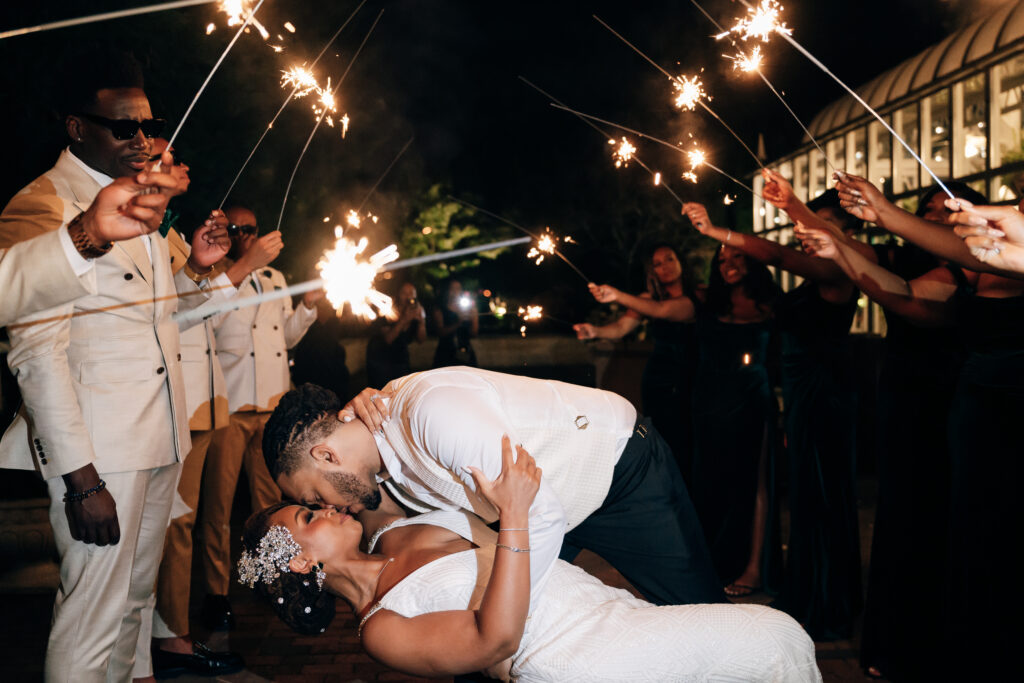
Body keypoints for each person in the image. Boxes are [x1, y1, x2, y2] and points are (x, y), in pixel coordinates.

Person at [0, 49, 230, 683]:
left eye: (149, 127)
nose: (144, 141)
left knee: (135, 604)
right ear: (77, 128)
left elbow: (158, 320)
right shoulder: (43, 208)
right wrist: (81, 478)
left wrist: (200, 269)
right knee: (91, 616)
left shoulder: (139, 206)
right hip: (100, 454)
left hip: (158, 439)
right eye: (124, 127)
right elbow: (36, 355)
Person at [239, 436, 822, 682]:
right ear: (298, 564)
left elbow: (372, 466)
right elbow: (494, 641)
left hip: (610, 611)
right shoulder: (381, 629)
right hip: (575, 654)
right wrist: (513, 514)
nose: (320, 506)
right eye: (307, 517)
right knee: (777, 638)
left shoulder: (390, 537)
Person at [802, 173, 1024, 679]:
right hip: (974, 412)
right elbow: (902, 293)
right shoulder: (980, 259)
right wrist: (868, 223)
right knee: (974, 542)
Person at [262, 374, 724, 608]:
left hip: (620, 471)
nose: (323, 507)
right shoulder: (376, 468)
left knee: (699, 609)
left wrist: (498, 620)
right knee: (480, 649)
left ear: (325, 456)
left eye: (312, 496)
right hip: (548, 508)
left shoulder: (432, 415)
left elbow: (538, 515)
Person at [683, 178, 865, 639]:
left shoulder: (838, 271)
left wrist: (716, 233)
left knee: (821, 495)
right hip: (805, 395)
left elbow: (779, 255)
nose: (808, 232)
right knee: (805, 496)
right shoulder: (820, 274)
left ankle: (826, 600)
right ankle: (811, 589)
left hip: (824, 393)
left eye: (823, 225)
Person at [198, 204, 320, 631]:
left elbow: (286, 337)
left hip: (270, 406)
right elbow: (202, 325)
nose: (243, 235)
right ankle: (216, 593)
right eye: (234, 228)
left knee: (272, 506)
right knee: (218, 506)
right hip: (228, 406)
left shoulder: (275, 279)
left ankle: (275, 580)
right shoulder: (214, 279)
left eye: (250, 228)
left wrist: (306, 306)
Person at [689, 242, 781, 598]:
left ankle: (755, 568)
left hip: (752, 400)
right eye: (722, 259)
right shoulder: (706, 299)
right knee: (711, 483)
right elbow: (666, 309)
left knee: (754, 484)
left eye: (737, 256)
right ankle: (711, 565)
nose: (729, 264)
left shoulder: (773, 304)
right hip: (710, 403)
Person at [574, 244, 698, 478]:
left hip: (693, 375)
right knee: (663, 438)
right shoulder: (647, 299)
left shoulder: (698, 295)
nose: (665, 267)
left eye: (669, 259)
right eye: (657, 264)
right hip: (660, 377)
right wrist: (595, 332)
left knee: (690, 439)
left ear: (680, 261)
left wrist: (618, 295)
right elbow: (621, 327)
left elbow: (663, 311)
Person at [0, 172, 181, 326]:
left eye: (153, 132)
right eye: (124, 130)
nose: (142, 142)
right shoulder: (41, 200)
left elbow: (165, 318)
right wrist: (87, 234)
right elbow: (38, 332)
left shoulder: (146, 211)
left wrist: (197, 272)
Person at [366, 282, 427, 388]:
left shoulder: (415, 311)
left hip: (400, 358)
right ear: (398, 295)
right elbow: (388, 339)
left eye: (411, 293)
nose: (408, 297)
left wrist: (422, 322)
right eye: (404, 293)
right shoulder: (386, 309)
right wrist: (404, 320)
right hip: (380, 358)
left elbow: (421, 340)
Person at [431, 278, 478, 367]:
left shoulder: (468, 309)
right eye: (452, 289)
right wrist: (458, 323)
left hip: (465, 351)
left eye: (458, 288)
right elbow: (440, 332)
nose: (455, 292)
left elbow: (474, 334)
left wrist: (474, 319)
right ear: (447, 291)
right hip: (445, 353)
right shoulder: (439, 309)